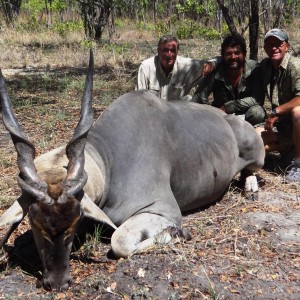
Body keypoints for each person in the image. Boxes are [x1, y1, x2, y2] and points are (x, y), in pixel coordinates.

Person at [255, 28, 300, 183]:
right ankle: (287, 148)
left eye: (278, 44)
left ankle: (298, 163)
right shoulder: (266, 66)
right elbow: (241, 63)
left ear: (287, 46)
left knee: (298, 112)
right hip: (282, 125)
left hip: (296, 122)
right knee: (253, 137)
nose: (274, 47)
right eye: (270, 44)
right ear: (265, 48)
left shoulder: (295, 66)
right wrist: (214, 62)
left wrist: (276, 112)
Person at [192, 33, 266, 126]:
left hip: (246, 116)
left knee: (257, 112)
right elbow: (199, 98)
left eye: (237, 53)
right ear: (222, 56)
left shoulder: (254, 68)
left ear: (244, 54)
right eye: (228, 54)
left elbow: (257, 99)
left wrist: (229, 107)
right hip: (221, 116)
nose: (233, 57)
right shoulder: (215, 70)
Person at [136, 35, 217, 101]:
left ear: (177, 51)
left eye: (172, 50)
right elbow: (139, 99)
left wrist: (212, 63)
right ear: (158, 51)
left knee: (189, 99)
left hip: (177, 112)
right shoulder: (146, 67)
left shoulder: (186, 66)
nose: (169, 55)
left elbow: (219, 60)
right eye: (165, 50)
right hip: (152, 111)